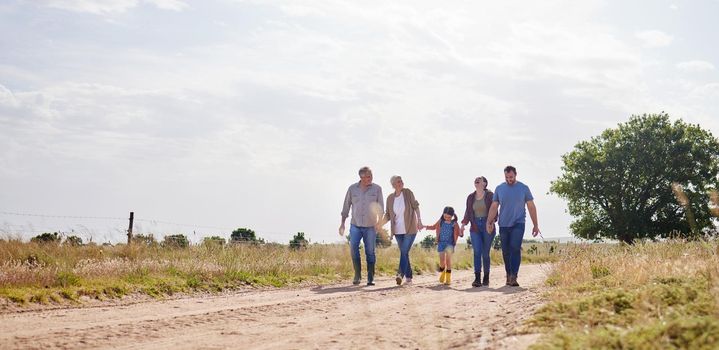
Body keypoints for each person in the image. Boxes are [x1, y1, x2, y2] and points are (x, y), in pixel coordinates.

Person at [486, 166, 540, 287]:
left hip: (518, 223)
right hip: (503, 224)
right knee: (506, 251)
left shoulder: (523, 188)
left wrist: (536, 225)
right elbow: (494, 206)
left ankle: (514, 276)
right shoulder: (500, 188)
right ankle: (508, 274)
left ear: (515, 175)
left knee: (515, 248)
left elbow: (531, 206)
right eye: (506, 177)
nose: (509, 179)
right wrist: (489, 222)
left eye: (511, 177)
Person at [340, 166, 384, 286]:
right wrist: (342, 223)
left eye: (371, 176)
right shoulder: (352, 189)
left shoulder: (377, 189)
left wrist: (379, 222)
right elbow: (346, 206)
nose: (370, 178)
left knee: (370, 251)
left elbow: (380, 208)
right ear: (361, 177)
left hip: (371, 226)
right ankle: (357, 275)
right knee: (353, 248)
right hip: (355, 225)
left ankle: (370, 277)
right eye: (368, 177)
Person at [382, 175, 423, 286]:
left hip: (410, 228)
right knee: (404, 253)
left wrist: (419, 220)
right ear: (393, 185)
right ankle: (409, 278)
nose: (401, 183)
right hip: (398, 231)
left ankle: (400, 274)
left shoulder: (408, 192)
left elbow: (416, 206)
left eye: (401, 181)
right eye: (398, 182)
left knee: (404, 251)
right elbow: (388, 215)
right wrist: (379, 224)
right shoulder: (390, 198)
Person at [460, 176, 496, 287]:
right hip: (475, 226)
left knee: (485, 253)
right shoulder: (470, 197)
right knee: (477, 252)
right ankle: (477, 278)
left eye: (479, 179)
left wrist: (492, 222)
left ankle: (486, 277)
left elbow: (494, 209)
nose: (477, 180)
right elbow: (467, 212)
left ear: (485, 183)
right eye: (476, 179)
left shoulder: (490, 195)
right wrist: (463, 225)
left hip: (487, 224)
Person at [424, 207, 461, 285]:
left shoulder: (454, 224)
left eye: (449, 217)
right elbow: (434, 227)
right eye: (445, 216)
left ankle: (448, 278)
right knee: (441, 262)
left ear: (452, 216)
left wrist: (462, 232)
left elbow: (459, 233)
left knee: (448, 261)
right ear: (443, 215)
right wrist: (425, 226)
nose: (447, 218)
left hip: (450, 244)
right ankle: (443, 272)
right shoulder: (441, 221)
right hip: (441, 243)